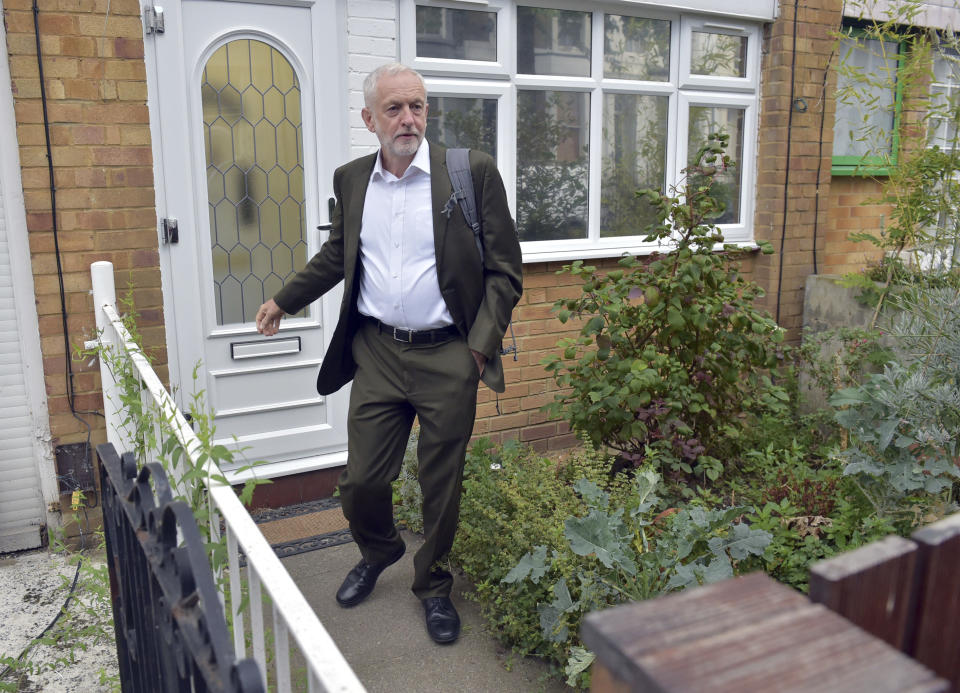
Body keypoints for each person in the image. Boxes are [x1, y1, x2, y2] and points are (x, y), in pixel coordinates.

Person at [255, 63, 523, 645]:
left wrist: (478, 350)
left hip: (449, 354)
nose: (409, 119)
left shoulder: (469, 173)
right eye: (395, 109)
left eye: (418, 107)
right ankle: (378, 550)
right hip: (376, 351)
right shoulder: (353, 179)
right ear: (369, 118)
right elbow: (338, 254)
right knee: (361, 482)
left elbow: (505, 272)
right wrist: (284, 299)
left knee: (439, 484)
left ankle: (432, 586)